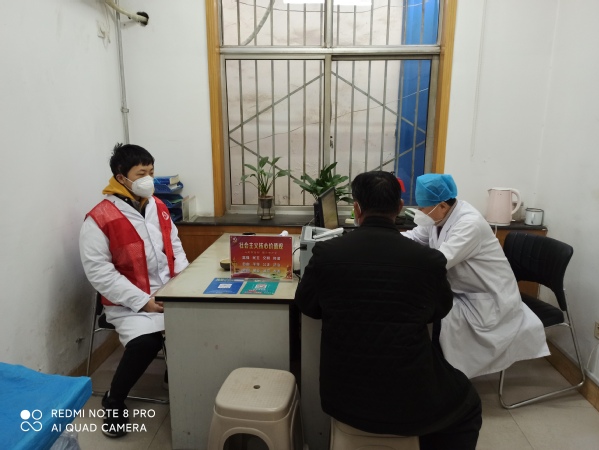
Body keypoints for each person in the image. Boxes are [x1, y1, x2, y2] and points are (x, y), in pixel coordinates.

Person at [295, 171, 482, 450]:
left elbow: (307, 305)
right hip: (409, 402)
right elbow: (439, 310)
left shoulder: (327, 254)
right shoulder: (429, 261)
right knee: (468, 404)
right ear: (399, 207)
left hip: (343, 399)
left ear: (357, 208)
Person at [79, 143, 189, 438]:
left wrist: (183, 283)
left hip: (168, 291)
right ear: (121, 177)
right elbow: (99, 272)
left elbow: (175, 248)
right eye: (141, 173)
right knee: (145, 343)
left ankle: (172, 373)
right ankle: (114, 400)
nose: (149, 179)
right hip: (127, 302)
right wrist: (143, 301)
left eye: (151, 172)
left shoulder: (158, 206)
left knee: (194, 322)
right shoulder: (99, 218)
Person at [402, 173, 549, 378]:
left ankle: (444, 378)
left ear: (442, 205)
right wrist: (384, 240)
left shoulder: (469, 224)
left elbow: (439, 262)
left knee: (431, 314)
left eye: (423, 208)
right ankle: (437, 371)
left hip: (489, 300)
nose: (420, 212)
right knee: (427, 309)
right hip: (465, 292)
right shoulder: (439, 218)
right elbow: (414, 237)